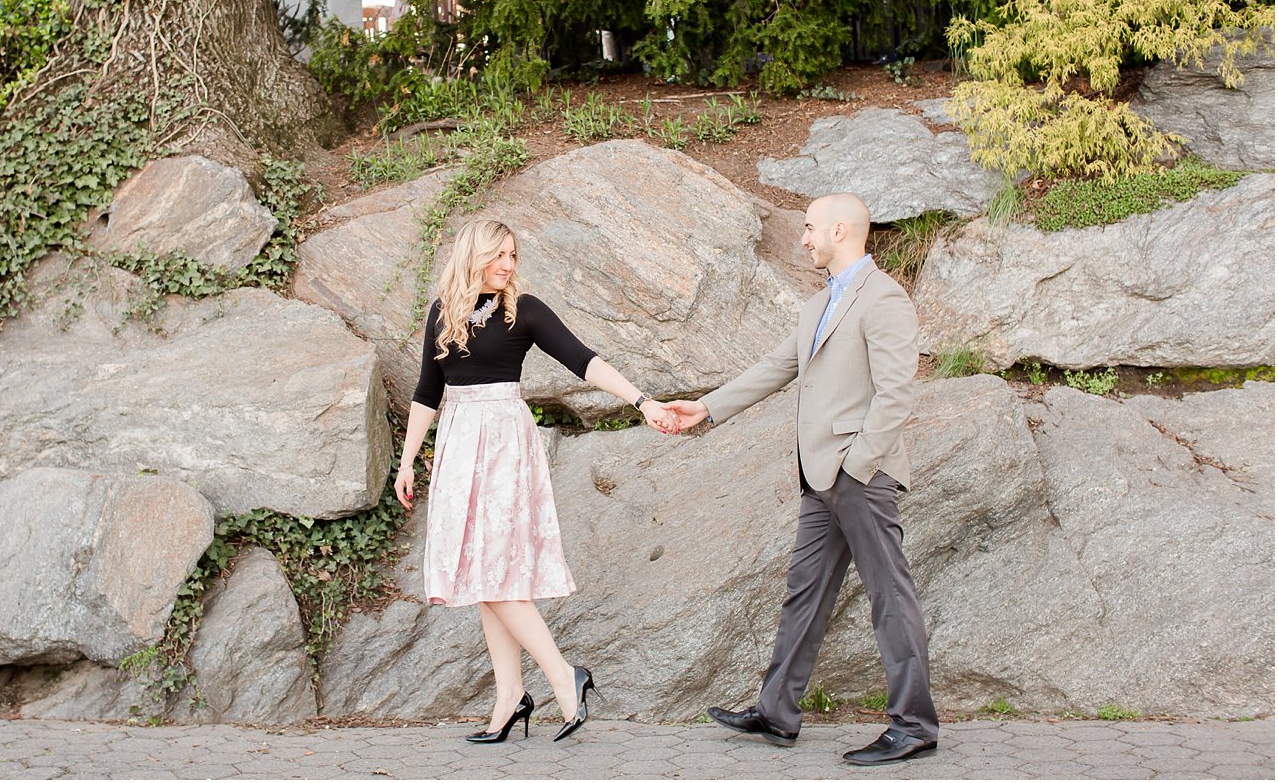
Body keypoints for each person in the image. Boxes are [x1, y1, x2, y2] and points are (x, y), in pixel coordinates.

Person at [662, 192, 938, 766]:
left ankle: (913, 725)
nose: (804, 238)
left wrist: (857, 464)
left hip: (859, 473)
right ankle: (777, 713)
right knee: (804, 593)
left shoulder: (884, 299)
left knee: (889, 594)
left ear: (841, 230)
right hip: (819, 477)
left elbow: (897, 394)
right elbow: (775, 368)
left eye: (810, 228)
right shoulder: (817, 306)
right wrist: (705, 408)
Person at [393, 218, 679, 744]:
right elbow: (426, 390)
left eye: (513, 256)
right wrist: (408, 459)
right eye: (499, 254)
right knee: (484, 575)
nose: (508, 264)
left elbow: (582, 360)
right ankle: (509, 698)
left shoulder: (523, 310)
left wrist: (641, 401)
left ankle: (561, 678)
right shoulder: (442, 312)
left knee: (494, 572)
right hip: (459, 444)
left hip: (503, 443)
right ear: (473, 254)